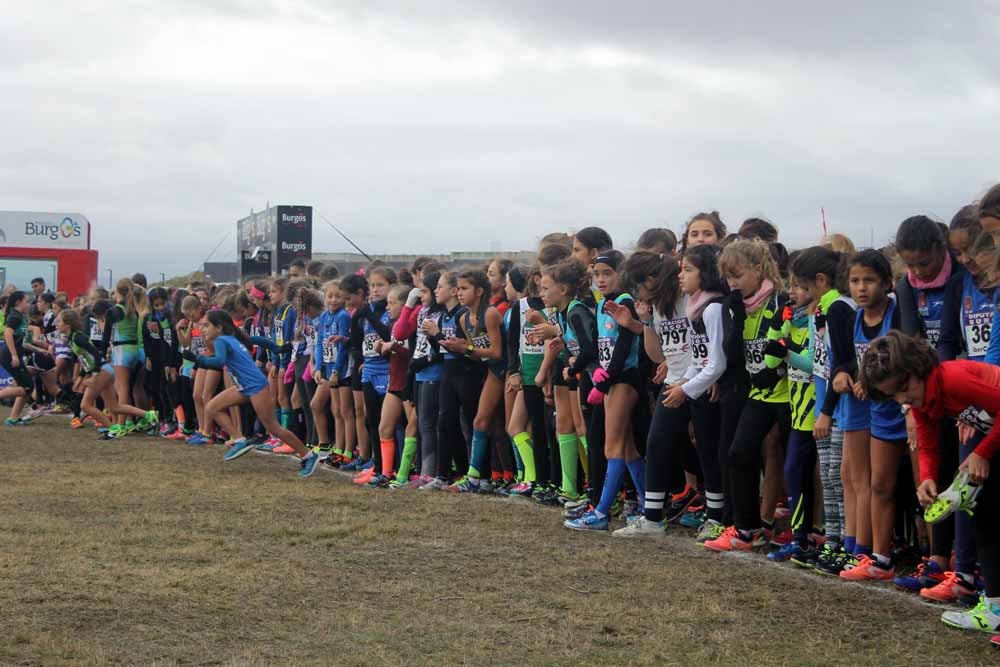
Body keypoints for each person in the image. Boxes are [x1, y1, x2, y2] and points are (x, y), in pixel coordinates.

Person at [859, 331, 1000, 641]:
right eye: (892, 394)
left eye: (903, 388)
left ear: (917, 368)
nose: (902, 399)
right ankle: (994, 608)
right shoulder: (927, 394)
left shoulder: (954, 379)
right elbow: (928, 442)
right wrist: (927, 477)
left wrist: (981, 452)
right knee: (985, 517)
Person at [185, 310, 319, 477]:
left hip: (255, 386)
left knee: (274, 427)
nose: (203, 329)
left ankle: (308, 455)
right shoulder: (232, 338)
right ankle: (239, 440)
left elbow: (219, 361)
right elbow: (255, 340)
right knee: (212, 407)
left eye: (207, 325)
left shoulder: (221, 340)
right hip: (245, 386)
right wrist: (276, 348)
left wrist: (196, 359)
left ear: (218, 328)